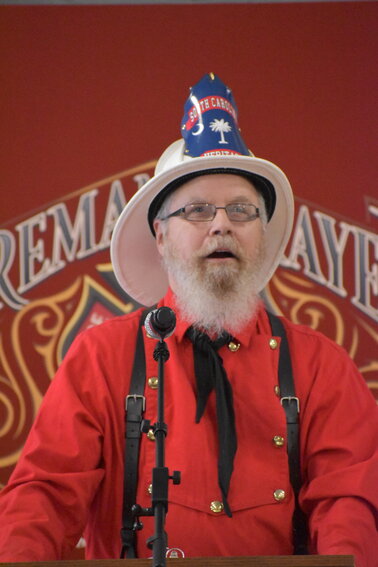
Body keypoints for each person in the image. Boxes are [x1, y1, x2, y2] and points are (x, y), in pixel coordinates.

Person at [0, 73, 377, 565]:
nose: (222, 224)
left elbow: (349, 505)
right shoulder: (102, 357)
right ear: (160, 237)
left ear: (260, 236)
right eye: (198, 211)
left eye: (242, 211)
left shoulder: (320, 365)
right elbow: (42, 500)